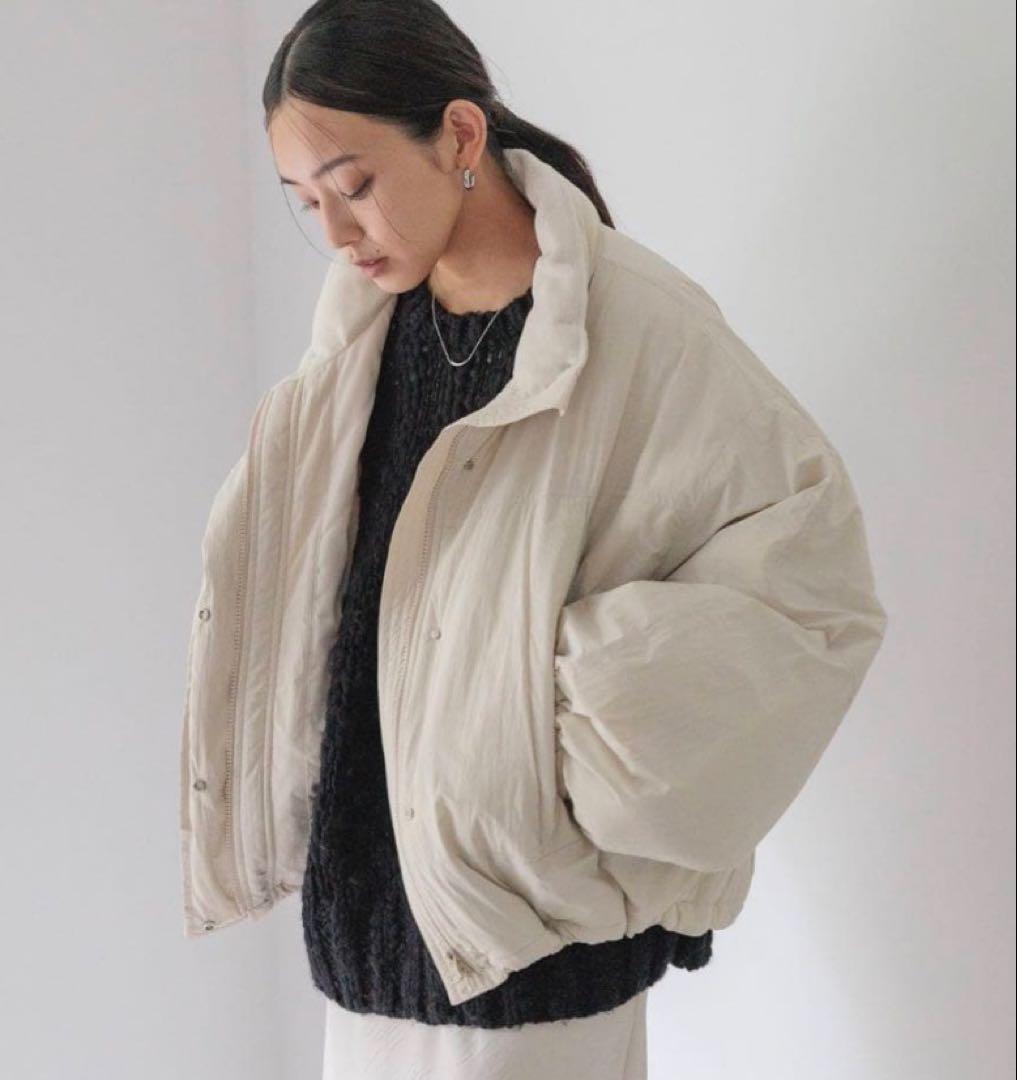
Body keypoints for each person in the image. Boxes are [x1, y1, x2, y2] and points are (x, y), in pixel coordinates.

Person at [179, 2, 888, 1077]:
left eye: (354, 184)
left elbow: (812, 591)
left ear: (460, 135)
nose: (335, 234)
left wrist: (555, 710)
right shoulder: (363, 333)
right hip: (367, 942)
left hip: (533, 956)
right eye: (306, 202)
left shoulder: (638, 328)